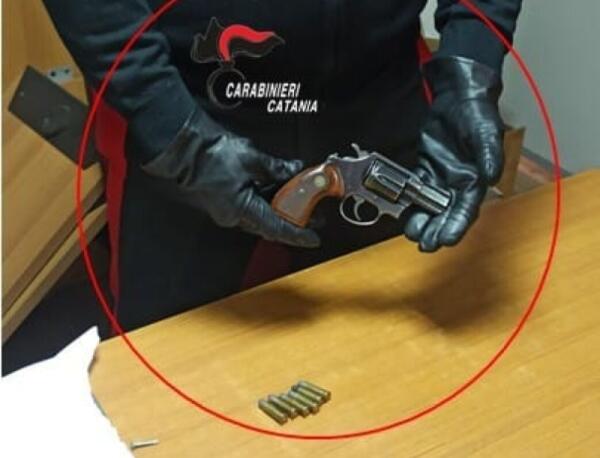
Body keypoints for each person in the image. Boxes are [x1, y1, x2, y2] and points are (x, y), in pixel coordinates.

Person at [43, 0, 522, 330]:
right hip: (187, 100)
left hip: (381, 91)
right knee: (166, 356)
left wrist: (471, 60)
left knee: (393, 337)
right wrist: (168, 125)